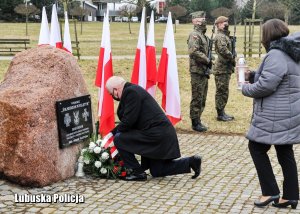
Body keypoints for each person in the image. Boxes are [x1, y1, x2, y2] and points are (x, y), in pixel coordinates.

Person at [242, 19, 300, 209]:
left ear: (267, 35)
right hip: (289, 112)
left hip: (275, 114)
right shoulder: (291, 51)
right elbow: (278, 76)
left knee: (256, 148)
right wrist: (253, 75)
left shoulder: (276, 54)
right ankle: (290, 196)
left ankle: (270, 191)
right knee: (284, 151)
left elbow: (266, 86)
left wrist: (245, 87)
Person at [105, 76, 202, 181]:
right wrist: (112, 133)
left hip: (156, 135)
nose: (113, 97)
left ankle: (137, 172)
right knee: (157, 171)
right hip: (159, 134)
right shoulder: (132, 90)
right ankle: (191, 162)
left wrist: (112, 134)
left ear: (115, 89)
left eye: (111, 94)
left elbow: (128, 122)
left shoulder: (130, 92)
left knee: (119, 139)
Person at [187, 11, 211, 132]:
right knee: (197, 97)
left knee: (202, 97)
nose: (203, 21)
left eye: (204, 19)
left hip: (203, 70)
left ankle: (198, 119)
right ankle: (195, 122)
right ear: (194, 21)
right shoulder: (194, 35)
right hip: (197, 70)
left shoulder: (203, 35)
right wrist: (207, 60)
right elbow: (194, 51)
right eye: (201, 19)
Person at [213, 16, 235, 121]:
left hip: (225, 68)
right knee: (221, 91)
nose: (226, 24)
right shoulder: (220, 36)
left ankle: (222, 112)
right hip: (221, 68)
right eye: (223, 23)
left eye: (227, 22)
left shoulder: (225, 35)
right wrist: (232, 58)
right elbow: (223, 50)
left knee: (224, 91)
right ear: (218, 24)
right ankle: (220, 114)